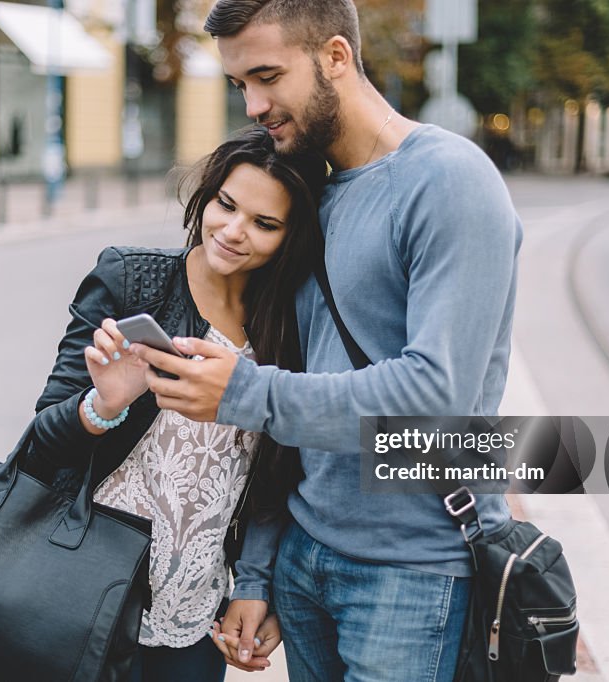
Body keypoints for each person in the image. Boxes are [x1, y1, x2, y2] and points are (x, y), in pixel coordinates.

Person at [130, 1, 523, 680]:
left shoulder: (448, 180)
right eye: (240, 85)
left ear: (336, 57)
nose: (253, 104)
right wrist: (258, 571)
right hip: (305, 559)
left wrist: (242, 390)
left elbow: (435, 396)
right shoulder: (314, 199)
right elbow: (298, 398)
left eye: (267, 75)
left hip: (410, 570)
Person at [23, 127, 327, 682]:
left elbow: (276, 474)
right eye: (226, 204)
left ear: (291, 237)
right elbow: (38, 445)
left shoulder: (288, 325)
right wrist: (102, 405)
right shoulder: (132, 278)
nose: (234, 232)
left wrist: (255, 584)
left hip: (195, 614)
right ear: (206, 195)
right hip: (85, 595)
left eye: (264, 223)